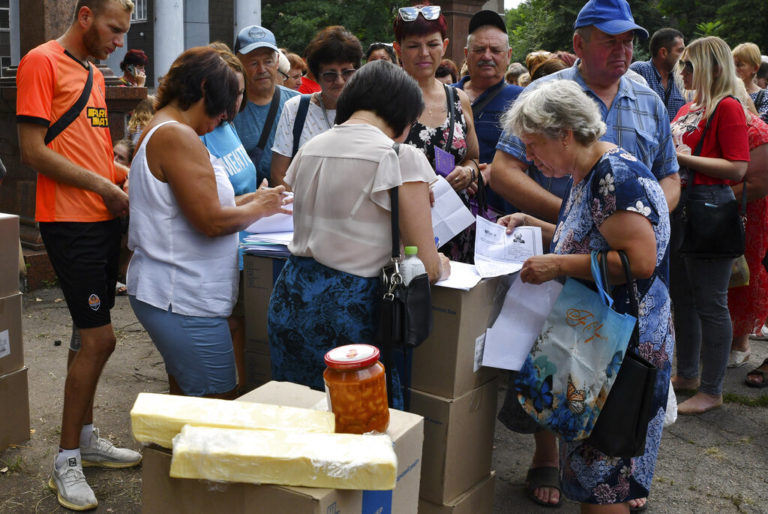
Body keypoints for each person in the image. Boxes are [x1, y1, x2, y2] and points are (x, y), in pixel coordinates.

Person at [489, 0, 681, 509]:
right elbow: (595, 237)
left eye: (535, 147)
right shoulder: (586, 170)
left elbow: (637, 264)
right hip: (603, 335)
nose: (531, 159)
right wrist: (540, 225)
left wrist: (558, 263)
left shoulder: (612, 178)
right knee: (593, 466)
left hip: (625, 343)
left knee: (605, 477)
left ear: (566, 134)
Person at [267, 60, 449, 409]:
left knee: (297, 417)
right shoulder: (399, 157)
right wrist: (442, 262)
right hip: (351, 311)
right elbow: (425, 267)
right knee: (355, 423)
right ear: (401, 113)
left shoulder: (311, 146)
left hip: (291, 298)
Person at [16, 0, 139, 509]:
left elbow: (92, 149)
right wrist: (103, 186)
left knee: (83, 336)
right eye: (114, 29)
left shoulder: (93, 72)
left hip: (100, 219)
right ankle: (65, 461)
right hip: (70, 223)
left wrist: (127, 176)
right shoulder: (41, 61)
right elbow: (33, 151)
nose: (119, 42)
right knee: (100, 341)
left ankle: (85, 440)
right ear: (85, 16)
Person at [127, 46, 289, 402]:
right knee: (219, 399)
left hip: (178, 295)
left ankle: (169, 457)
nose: (219, 122)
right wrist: (260, 207)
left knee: (188, 399)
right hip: (183, 298)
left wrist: (259, 201)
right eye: (219, 110)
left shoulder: (166, 128)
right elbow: (210, 221)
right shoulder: (177, 135)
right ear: (202, 89)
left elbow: (197, 206)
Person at [670, 37, 750, 414]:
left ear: (712, 67)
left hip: (709, 211)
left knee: (711, 303)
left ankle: (712, 389)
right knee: (683, 299)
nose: (682, 71)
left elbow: (738, 167)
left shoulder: (728, 107)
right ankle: (687, 374)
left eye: (688, 64)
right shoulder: (692, 105)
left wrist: (686, 161)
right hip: (684, 210)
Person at [393, 3, 480, 263]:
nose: (424, 53)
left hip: (456, 227)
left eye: (432, 44)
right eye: (412, 45)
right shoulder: (385, 100)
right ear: (398, 49)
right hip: (403, 233)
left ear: (444, 44)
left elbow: (474, 159)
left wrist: (468, 172)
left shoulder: (459, 100)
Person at [270, 26, 363, 188]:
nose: (339, 80)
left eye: (347, 72)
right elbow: (279, 174)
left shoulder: (368, 110)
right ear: (316, 75)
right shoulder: (296, 108)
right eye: (330, 74)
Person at [454, 9, 523, 217]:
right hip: (448, 213)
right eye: (479, 49)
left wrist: (496, 171)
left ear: (509, 55)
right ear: (466, 54)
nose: (487, 56)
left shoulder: (524, 101)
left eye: (495, 50)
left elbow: (542, 159)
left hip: (503, 218)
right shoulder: (446, 98)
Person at [727, 95, 768, 369]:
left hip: (748, 213)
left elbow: (758, 184)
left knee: (745, 273)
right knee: (727, 276)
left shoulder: (756, 130)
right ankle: (727, 337)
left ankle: (740, 342)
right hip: (727, 209)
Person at [232, 25, 299, 185]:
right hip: (246, 203)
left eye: (268, 61)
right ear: (238, 64)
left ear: (277, 61)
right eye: (254, 63)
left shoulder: (298, 103)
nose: (262, 69)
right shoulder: (228, 108)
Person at [629, 28, 687, 122]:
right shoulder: (639, 71)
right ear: (663, 52)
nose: (684, 56)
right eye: (680, 51)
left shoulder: (681, 79)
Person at [732, 43, 768, 121]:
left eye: (739, 65)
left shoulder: (764, 96)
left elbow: (763, 129)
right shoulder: (725, 92)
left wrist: (745, 96)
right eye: (731, 65)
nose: (734, 69)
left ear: (755, 68)